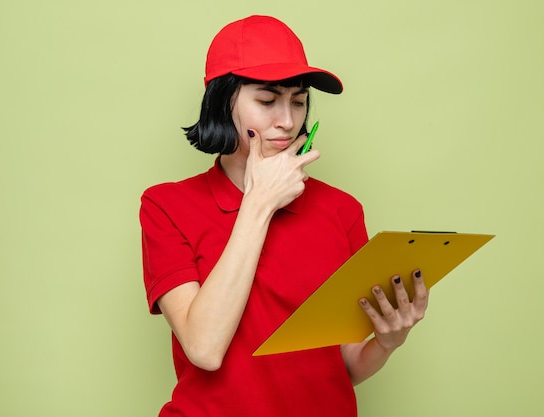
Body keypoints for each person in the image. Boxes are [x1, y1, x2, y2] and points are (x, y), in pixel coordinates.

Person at [140, 15, 429, 417]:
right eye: (266, 101)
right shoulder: (166, 206)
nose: (288, 122)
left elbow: (341, 365)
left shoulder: (342, 211)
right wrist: (259, 204)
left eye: (298, 100)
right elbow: (204, 349)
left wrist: (386, 342)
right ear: (225, 102)